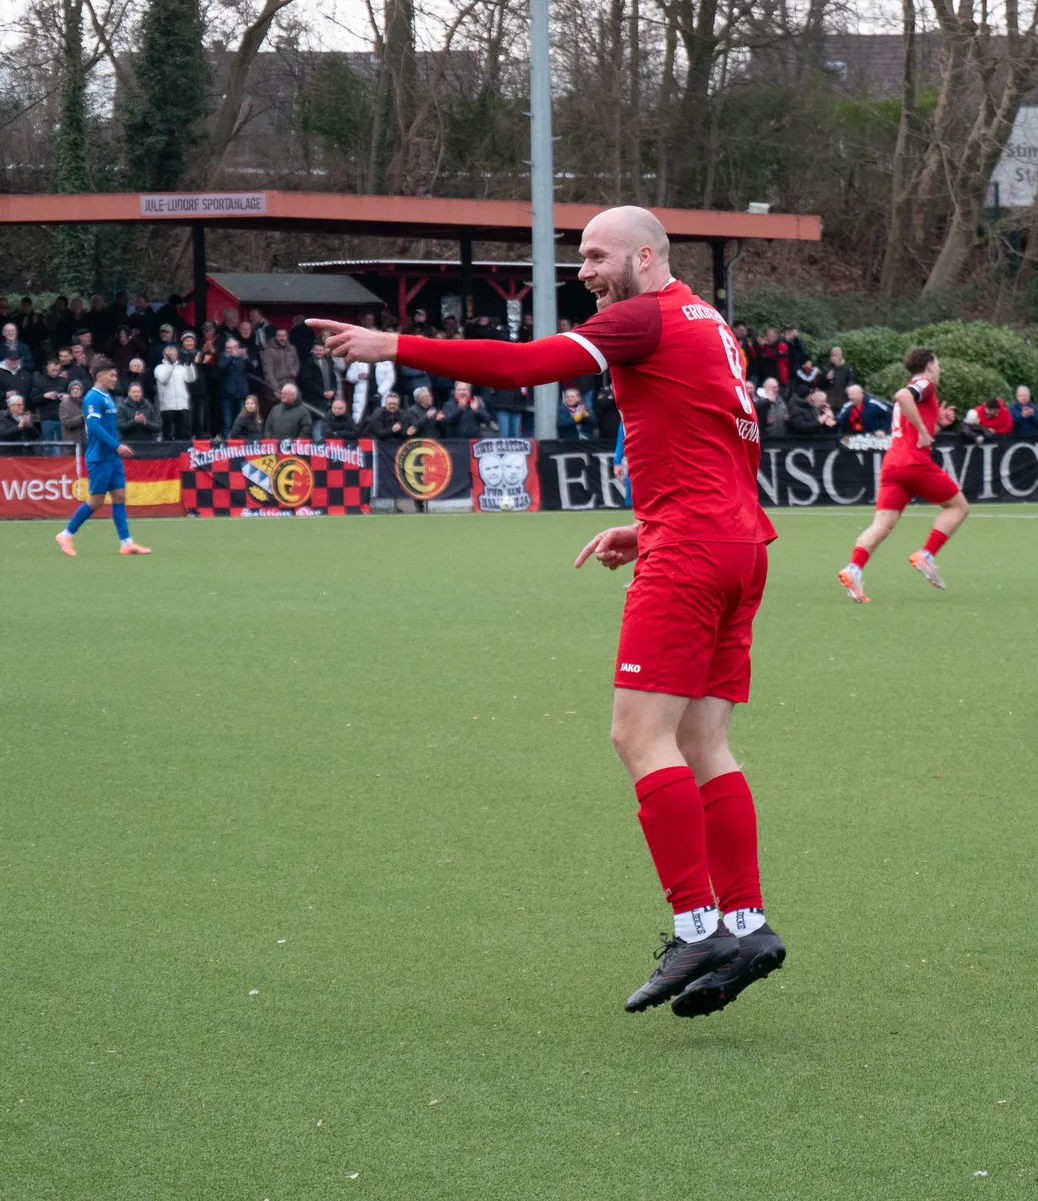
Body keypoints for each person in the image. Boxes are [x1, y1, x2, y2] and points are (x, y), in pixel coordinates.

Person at [314, 204, 784, 1018]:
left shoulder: (643, 317)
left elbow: (525, 364)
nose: (584, 272)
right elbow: (728, 444)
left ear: (646, 256)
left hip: (692, 551)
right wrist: (650, 526)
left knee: (638, 735)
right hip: (739, 545)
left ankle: (697, 927)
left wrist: (395, 345)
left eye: (597, 256)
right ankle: (746, 923)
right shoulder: (711, 324)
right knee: (703, 741)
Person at [838, 347, 966, 602]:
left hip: (893, 464)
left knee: (881, 525)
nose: (939, 369)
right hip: (913, 462)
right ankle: (927, 555)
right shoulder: (925, 384)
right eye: (938, 364)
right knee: (958, 507)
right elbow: (902, 396)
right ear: (929, 365)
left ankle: (853, 569)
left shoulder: (920, 394)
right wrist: (923, 431)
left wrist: (936, 424)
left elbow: (912, 423)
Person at [56, 356, 151, 556]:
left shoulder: (107, 397)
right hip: (99, 457)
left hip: (112, 457)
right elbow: (93, 426)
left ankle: (126, 543)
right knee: (96, 501)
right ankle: (65, 534)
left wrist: (116, 447)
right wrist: (117, 445)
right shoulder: (93, 397)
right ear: (100, 375)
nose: (115, 379)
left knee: (120, 496)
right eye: (112, 375)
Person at [153, 344, 197, 442]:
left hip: (182, 404)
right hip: (167, 405)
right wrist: (170, 366)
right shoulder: (159, 368)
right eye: (169, 354)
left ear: (177, 355)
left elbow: (191, 379)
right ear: (164, 355)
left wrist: (189, 366)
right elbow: (164, 379)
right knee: (168, 433)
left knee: (182, 433)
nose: (171, 356)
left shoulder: (181, 368)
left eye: (173, 354)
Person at [345, 356, 394, 427]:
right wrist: (358, 376)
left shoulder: (386, 360)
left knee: (380, 421)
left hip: (380, 396)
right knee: (360, 421)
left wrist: (380, 392)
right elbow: (349, 377)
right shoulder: (358, 359)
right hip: (363, 396)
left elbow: (390, 379)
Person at [218, 339, 250, 432]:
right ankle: (227, 439)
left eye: (231, 348)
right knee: (227, 423)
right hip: (227, 394)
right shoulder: (223, 356)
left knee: (240, 421)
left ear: (237, 348)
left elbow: (251, 370)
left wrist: (246, 358)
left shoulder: (242, 358)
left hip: (241, 393)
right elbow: (221, 368)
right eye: (227, 348)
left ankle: (240, 439)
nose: (228, 350)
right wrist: (231, 357)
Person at [262, 326, 301, 400]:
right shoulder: (268, 351)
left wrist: (295, 370)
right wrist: (276, 388)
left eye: (283, 336)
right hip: (277, 386)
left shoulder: (292, 348)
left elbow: (296, 363)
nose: (281, 338)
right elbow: (268, 372)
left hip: (291, 384)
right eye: (279, 336)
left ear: (287, 337)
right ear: (275, 337)